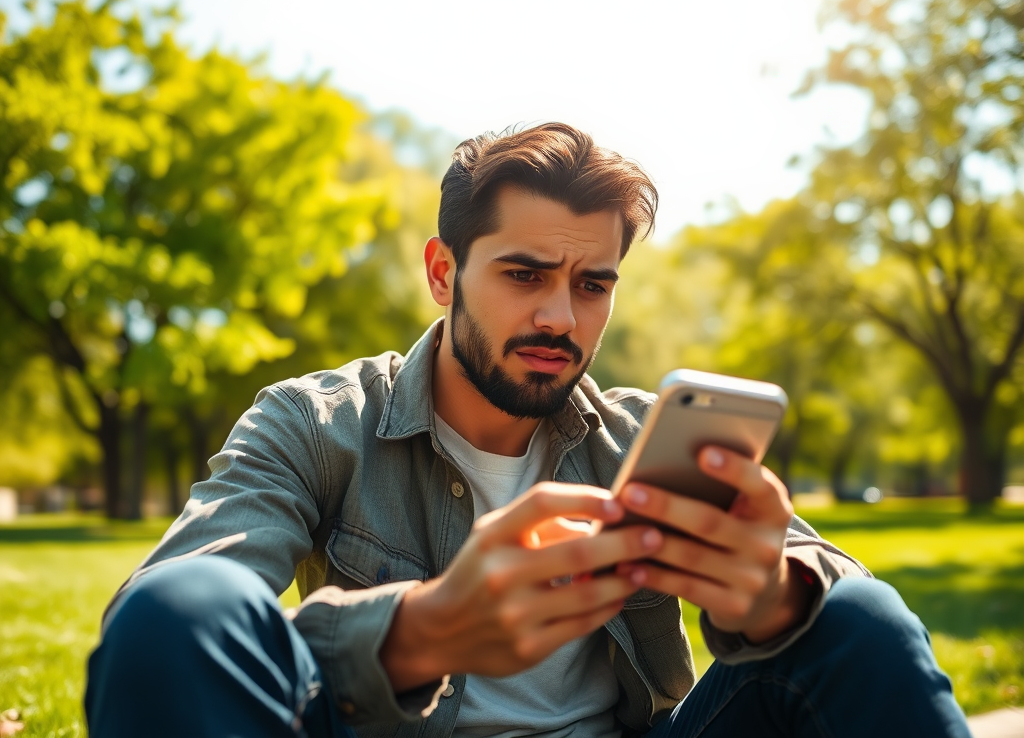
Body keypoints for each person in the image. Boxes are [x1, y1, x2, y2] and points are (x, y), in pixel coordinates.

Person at [85, 123, 971, 738]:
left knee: (853, 613)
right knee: (178, 611)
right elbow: (168, 626)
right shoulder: (315, 423)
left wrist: (771, 594)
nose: (560, 315)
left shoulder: (637, 437)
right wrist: (422, 630)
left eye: (593, 284)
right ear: (444, 272)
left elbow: (840, 602)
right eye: (523, 273)